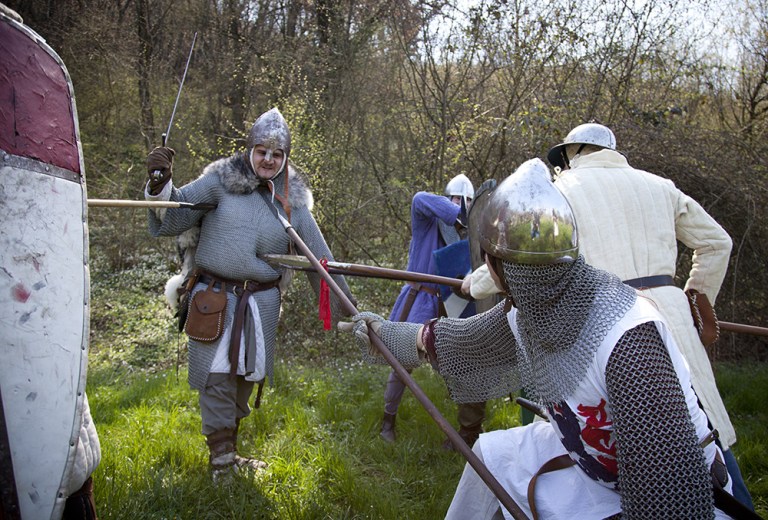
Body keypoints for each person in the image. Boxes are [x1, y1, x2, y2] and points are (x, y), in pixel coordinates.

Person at [341, 158, 741, 518]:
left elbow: (671, 499)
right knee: (491, 454)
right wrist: (383, 333)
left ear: (497, 265)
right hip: (594, 465)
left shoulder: (627, 337)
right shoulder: (531, 309)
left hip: (660, 498)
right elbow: (455, 341)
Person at [545, 122, 754, 511]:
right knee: (700, 420)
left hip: (604, 322)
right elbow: (716, 242)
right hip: (669, 312)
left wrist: (471, 287)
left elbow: (524, 262)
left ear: (572, 153)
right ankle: (734, 504)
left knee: (616, 440)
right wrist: (693, 297)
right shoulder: (659, 185)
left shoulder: (559, 192)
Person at [144, 107, 354, 480]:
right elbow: (173, 216)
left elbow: (320, 259)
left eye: (277, 154)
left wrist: (347, 310)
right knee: (217, 378)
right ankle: (221, 465)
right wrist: (160, 184)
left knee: (242, 380)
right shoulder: (218, 182)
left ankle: (230, 453)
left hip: (260, 305)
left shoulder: (292, 200)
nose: (269, 159)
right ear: (249, 149)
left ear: (286, 158)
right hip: (215, 298)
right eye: (262, 151)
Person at [379, 174, 486, 450]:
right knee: (402, 361)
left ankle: (467, 431)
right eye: (455, 199)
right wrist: (457, 213)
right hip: (419, 300)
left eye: (467, 202)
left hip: (450, 307)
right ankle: (387, 421)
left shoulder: (471, 235)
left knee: (459, 364)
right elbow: (418, 200)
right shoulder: (428, 220)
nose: (460, 204)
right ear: (447, 199)